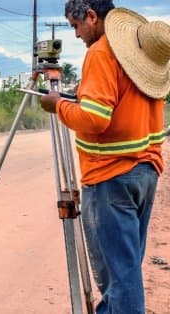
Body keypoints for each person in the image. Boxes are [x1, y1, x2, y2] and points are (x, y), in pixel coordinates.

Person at [40, 1, 169, 313]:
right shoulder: (139, 53)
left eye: (75, 26)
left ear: (92, 17)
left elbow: (96, 118)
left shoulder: (101, 52)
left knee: (119, 277)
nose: (75, 35)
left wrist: (58, 105)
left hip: (111, 176)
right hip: (145, 169)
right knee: (126, 268)